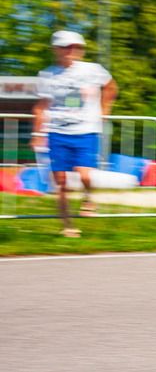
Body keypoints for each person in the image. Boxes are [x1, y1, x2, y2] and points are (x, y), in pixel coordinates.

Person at [31, 30, 118, 237]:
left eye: (76, 47)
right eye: (66, 47)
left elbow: (111, 87)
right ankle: (67, 226)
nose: (71, 51)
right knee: (60, 180)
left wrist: (104, 111)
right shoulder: (47, 75)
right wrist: (36, 134)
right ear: (56, 50)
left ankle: (89, 197)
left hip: (86, 130)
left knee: (84, 174)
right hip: (57, 131)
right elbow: (41, 107)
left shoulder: (93, 70)